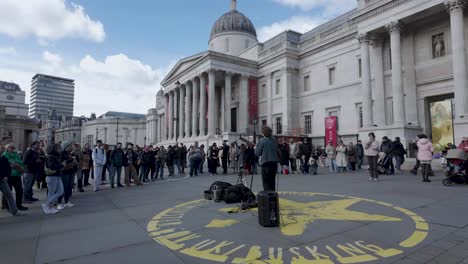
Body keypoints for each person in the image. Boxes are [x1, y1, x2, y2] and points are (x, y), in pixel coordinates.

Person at [1, 143, 27, 211]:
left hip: (17, 175)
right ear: (7, 149)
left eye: (14, 148)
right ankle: (7, 206)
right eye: (11, 148)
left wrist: (19, 167)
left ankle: (19, 205)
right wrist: (14, 165)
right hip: (9, 176)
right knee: (8, 192)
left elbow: (20, 163)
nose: (13, 149)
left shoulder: (16, 155)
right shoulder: (5, 155)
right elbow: (8, 165)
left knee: (19, 191)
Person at [255, 126, 280, 191]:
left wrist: (256, 147)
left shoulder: (262, 140)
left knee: (266, 181)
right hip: (274, 162)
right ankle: (272, 195)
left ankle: (267, 197)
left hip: (266, 162)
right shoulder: (274, 140)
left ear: (263, 133)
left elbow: (257, 153)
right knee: (272, 181)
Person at [42, 144, 63, 214]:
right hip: (52, 176)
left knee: (59, 191)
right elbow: (51, 166)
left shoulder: (55, 156)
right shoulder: (50, 156)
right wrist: (61, 165)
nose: (60, 149)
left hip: (56, 176)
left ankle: (48, 206)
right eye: (58, 148)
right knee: (52, 192)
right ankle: (48, 207)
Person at [57, 141, 75, 210]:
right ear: (65, 147)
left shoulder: (68, 153)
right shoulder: (62, 153)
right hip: (64, 172)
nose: (71, 147)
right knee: (63, 188)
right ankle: (59, 203)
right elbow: (62, 162)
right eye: (69, 146)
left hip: (69, 171)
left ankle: (66, 201)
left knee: (68, 187)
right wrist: (71, 159)